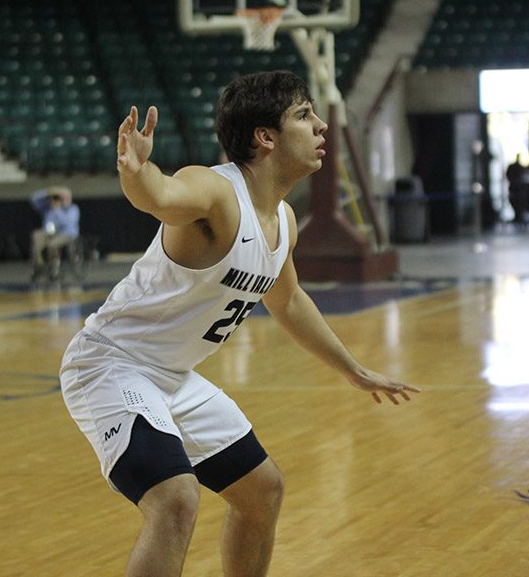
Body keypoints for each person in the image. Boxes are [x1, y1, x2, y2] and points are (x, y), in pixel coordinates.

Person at [59, 71, 419, 577]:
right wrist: (137, 172)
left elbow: (289, 302)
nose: (321, 127)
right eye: (304, 115)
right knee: (175, 498)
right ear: (265, 137)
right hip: (111, 365)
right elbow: (160, 195)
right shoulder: (217, 191)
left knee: (261, 490)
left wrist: (353, 370)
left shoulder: (283, 221)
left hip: (173, 377)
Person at [29, 185, 80, 281]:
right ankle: (38, 265)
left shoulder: (73, 209)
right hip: (49, 233)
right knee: (36, 237)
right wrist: (48, 192)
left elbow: (66, 223)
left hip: (66, 234)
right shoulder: (48, 209)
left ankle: (53, 270)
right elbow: (33, 200)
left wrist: (57, 210)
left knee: (52, 245)